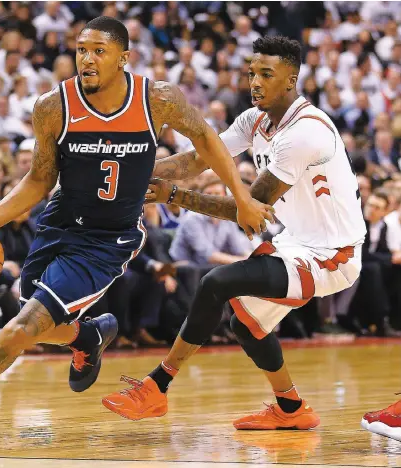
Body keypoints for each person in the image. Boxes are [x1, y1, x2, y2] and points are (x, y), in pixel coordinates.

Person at [0, 16, 271, 448]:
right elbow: (39, 179)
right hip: (58, 224)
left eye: (99, 50)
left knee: (17, 333)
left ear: (124, 57)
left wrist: (242, 199)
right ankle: (88, 335)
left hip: (105, 240)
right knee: (36, 328)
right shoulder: (53, 106)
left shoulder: (156, 99)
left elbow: (208, 140)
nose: (87, 58)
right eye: (81, 49)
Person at [102, 36, 366, 430]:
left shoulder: (304, 133)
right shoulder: (255, 120)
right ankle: (291, 408)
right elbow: (196, 160)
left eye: (266, 74)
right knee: (244, 326)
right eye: (250, 73)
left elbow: (249, 211)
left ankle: (157, 387)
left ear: (290, 80)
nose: (254, 82)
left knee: (216, 282)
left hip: (334, 253)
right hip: (297, 243)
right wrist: (134, 173)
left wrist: (172, 195)